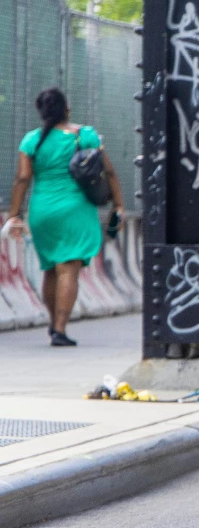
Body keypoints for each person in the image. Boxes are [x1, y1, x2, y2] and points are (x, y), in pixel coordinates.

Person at [5, 89, 124, 346]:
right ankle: (59, 328)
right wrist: (119, 205)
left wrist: (14, 214)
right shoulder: (84, 136)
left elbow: (23, 178)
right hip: (75, 208)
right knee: (68, 267)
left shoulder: (31, 141)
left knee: (50, 268)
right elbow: (110, 171)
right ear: (67, 109)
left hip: (42, 210)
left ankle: (52, 322)